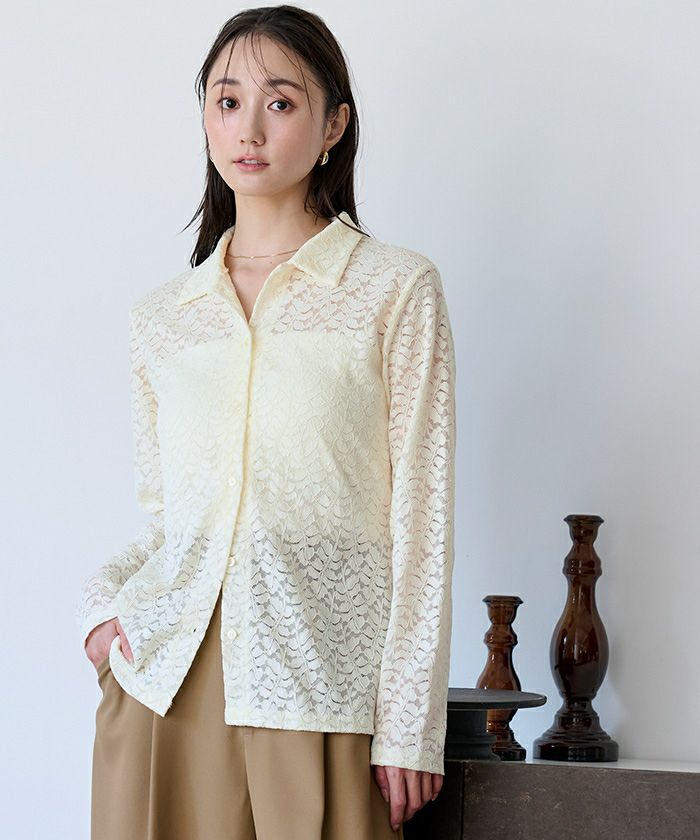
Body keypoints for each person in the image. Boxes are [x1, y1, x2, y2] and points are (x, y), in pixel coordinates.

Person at [76, 5, 457, 839]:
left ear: (334, 126)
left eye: (280, 102)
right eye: (227, 101)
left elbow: (421, 523)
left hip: (320, 687)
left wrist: (409, 724)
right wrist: (102, 613)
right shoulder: (164, 319)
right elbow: (168, 523)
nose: (248, 129)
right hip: (163, 688)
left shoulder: (394, 290)